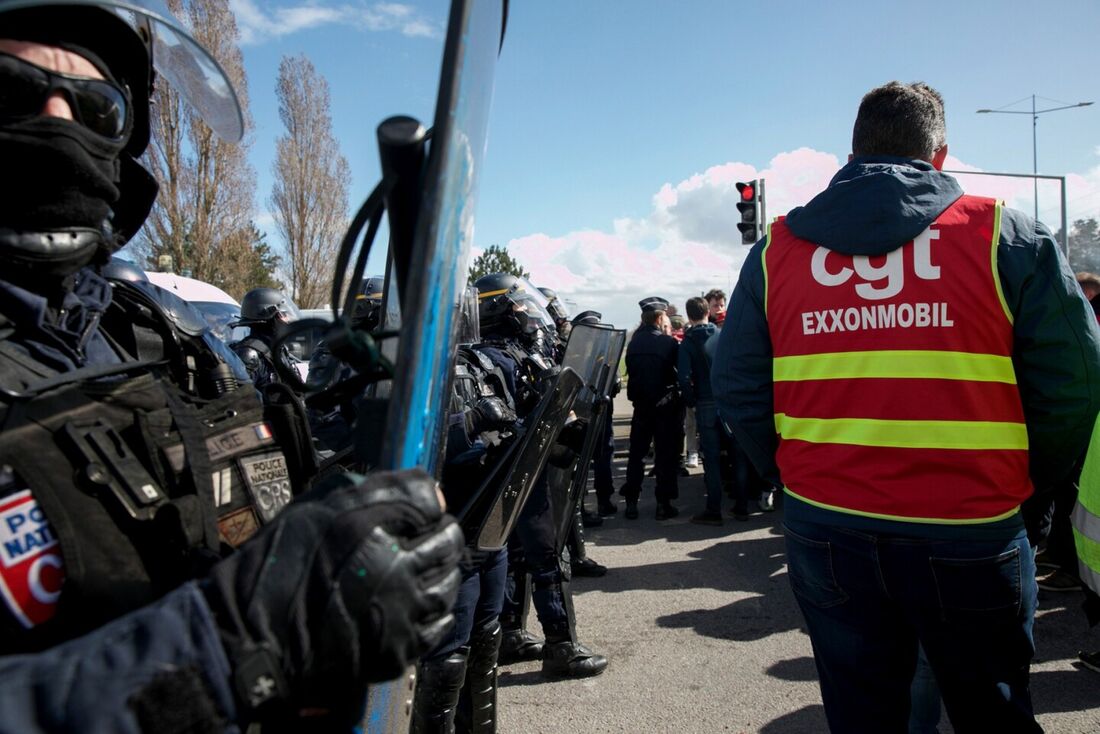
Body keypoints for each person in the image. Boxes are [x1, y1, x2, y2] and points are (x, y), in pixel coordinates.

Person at [0, 2, 464, 729]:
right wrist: (229, 642)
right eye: (11, 91)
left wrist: (330, 540)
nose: (58, 124)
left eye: (95, 106)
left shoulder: (159, 336)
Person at [713, 80, 1100, 733]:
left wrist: (794, 477)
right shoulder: (1007, 237)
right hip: (972, 524)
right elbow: (1074, 383)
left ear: (853, 151)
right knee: (993, 711)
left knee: (864, 714)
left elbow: (739, 383)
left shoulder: (778, 251)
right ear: (939, 156)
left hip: (828, 522)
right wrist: (1026, 484)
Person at [474, 275, 608, 680]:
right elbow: (532, 421)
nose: (530, 316)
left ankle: (512, 633)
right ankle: (561, 646)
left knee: (513, 554)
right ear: (503, 310)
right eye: (520, 307)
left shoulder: (479, 356)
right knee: (549, 558)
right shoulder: (511, 359)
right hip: (526, 474)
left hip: (499, 478)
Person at [622, 296, 681, 520]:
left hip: (641, 407)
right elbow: (677, 373)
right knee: (664, 455)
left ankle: (631, 502)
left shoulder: (634, 343)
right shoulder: (668, 343)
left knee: (636, 455)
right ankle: (663, 504)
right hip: (664, 407)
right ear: (659, 318)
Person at [678, 297, 723, 526]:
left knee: (712, 458)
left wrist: (690, 400)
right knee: (737, 453)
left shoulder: (687, 343)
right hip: (726, 400)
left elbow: (683, 377)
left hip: (704, 402)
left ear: (689, 316)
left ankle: (714, 507)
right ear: (708, 311)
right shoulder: (721, 335)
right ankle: (743, 504)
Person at [230, 287, 305, 391]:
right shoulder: (249, 355)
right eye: (283, 315)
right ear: (267, 318)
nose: (288, 320)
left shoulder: (279, 350)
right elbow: (239, 401)